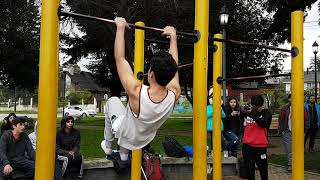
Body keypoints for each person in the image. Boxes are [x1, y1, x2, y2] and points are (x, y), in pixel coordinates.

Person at [101, 17, 180, 161]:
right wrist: (173, 38)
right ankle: (124, 153)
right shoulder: (174, 93)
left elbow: (120, 58)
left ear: (151, 74)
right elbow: (174, 67)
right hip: (144, 139)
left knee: (112, 101)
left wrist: (120, 27)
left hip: (124, 132)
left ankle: (107, 145)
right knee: (128, 118)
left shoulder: (136, 91)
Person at [242, 95, 272, 180]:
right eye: (252, 105)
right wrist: (243, 111)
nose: (253, 107)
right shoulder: (248, 113)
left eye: (255, 106)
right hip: (248, 146)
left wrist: (253, 114)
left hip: (260, 146)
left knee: (263, 168)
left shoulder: (266, 113)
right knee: (249, 169)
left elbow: (263, 124)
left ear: (259, 105)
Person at [206, 89, 228, 157]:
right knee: (212, 140)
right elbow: (207, 114)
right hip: (211, 127)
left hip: (219, 126)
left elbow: (224, 116)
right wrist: (215, 110)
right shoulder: (208, 107)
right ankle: (212, 151)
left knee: (221, 139)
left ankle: (225, 151)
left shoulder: (220, 107)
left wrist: (220, 110)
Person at [278, 94, 293, 172]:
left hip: (299, 132)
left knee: (298, 149)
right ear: (289, 99)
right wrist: (282, 130)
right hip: (287, 131)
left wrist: (305, 130)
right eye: (291, 98)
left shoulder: (302, 108)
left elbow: (307, 119)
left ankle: (298, 164)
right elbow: (280, 119)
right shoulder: (285, 108)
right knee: (289, 150)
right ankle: (290, 164)